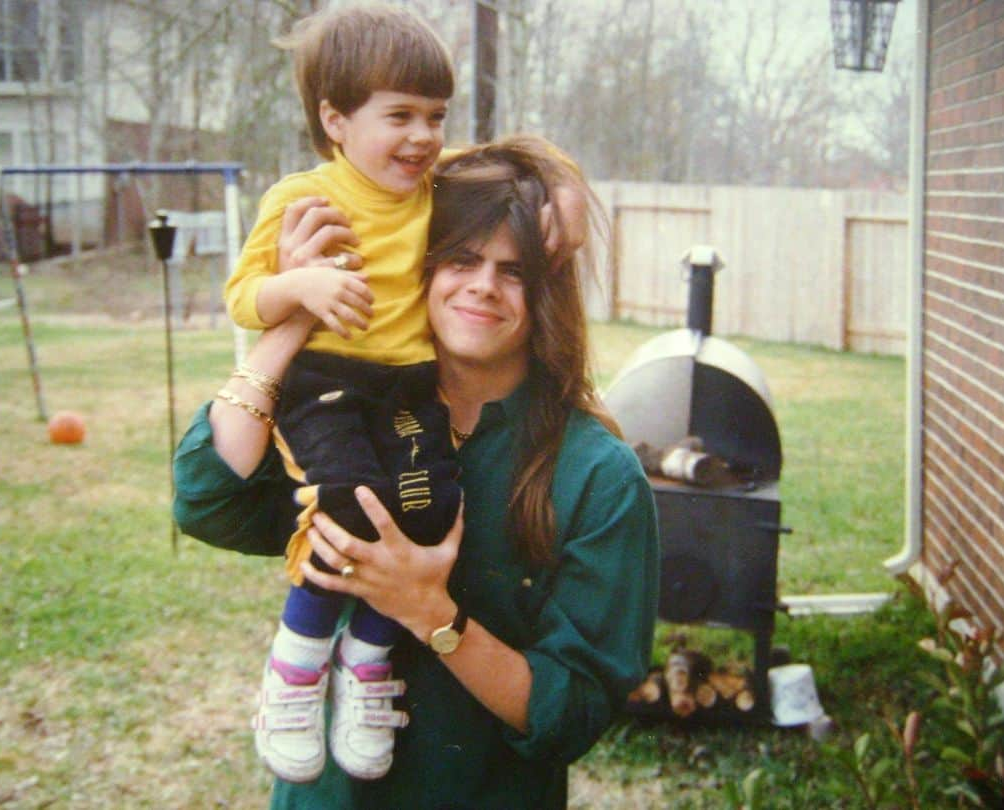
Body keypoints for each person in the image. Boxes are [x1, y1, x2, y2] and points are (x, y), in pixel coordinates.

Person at [174, 136, 660, 809]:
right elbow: (206, 501)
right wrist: (292, 322)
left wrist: (430, 611)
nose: (483, 285)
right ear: (417, 268)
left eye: (514, 270)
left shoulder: (595, 476)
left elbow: (572, 713)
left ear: (546, 290)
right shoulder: (342, 423)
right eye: (460, 258)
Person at [221, 4, 461, 783]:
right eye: (400, 115)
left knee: (425, 510)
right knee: (350, 501)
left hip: (407, 384)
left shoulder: (435, 196)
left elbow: (506, 178)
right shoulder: (307, 197)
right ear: (335, 119)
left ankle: (366, 664)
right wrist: (302, 282)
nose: (422, 136)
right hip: (325, 382)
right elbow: (242, 296)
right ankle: (295, 668)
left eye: (436, 116)